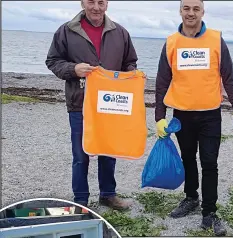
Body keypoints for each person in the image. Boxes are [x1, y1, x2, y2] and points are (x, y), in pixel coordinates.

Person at [154, 0, 233, 236]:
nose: (191, 13)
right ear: (180, 11)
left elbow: (230, 78)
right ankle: (191, 197)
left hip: (210, 115)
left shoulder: (216, 39)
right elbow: (162, 82)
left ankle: (209, 210)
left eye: (196, 9)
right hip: (182, 114)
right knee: (187, 158)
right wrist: (159, 117)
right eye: (187, 8)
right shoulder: (171, 42)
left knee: (209, 162)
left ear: (203, 12)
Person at [45, 0, 138, 210]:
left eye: (101, 2)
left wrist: (130, 76)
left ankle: (108, 195)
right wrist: (73, 69)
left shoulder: (120, 32)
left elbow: (130, 62)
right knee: (80, 154)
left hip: (111, 104)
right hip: (79, 102)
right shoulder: (66, 31)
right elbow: (52, 61)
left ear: (107, 4)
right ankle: (80, 200)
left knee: (108, 151)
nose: (96, 7)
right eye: (91, 2)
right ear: (82, 3)